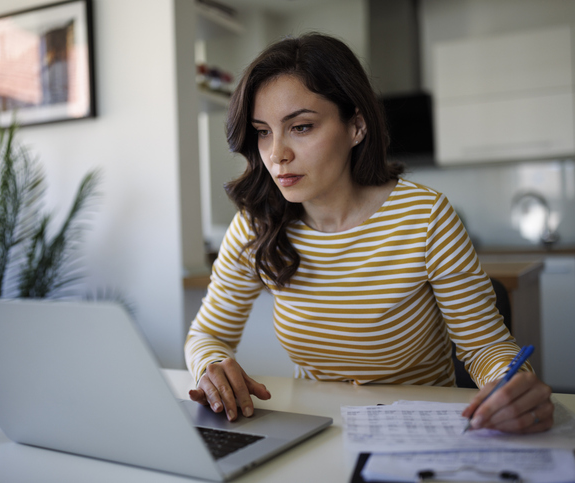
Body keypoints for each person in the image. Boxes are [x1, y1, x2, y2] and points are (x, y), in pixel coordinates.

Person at [185, 33, 553, 434]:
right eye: (262, 131)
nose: (277, 154)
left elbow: (485, 347)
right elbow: (208, 333)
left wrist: (510, 384)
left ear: (356, 126)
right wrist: (209, 368)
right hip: (318, 432)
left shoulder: (425, 217)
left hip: (423, 433)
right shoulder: (257, 225)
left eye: (301, 127)